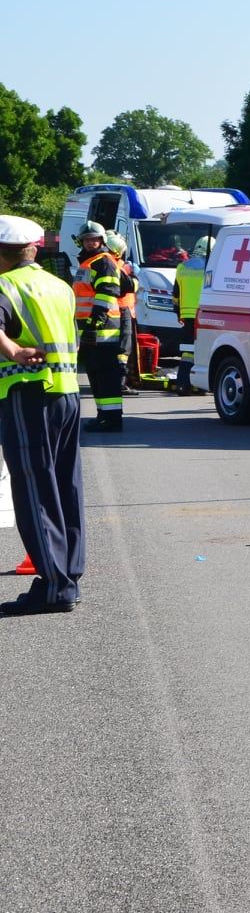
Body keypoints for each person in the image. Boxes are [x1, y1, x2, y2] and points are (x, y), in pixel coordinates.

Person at [0, 215, 85, 616]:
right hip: (67, 394)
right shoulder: (59, 286)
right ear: (32, 249)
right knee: (65, 485)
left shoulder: (6, 286)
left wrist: (14, 350)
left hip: (27, 394)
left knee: (34, 487)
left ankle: (54, 586)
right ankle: (68, 576)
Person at [72, 221, 124, 431]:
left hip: (102, 329)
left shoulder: (103, 262)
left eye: (94, 239)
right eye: (86, 239)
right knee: (95, 375)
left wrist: (95, 322)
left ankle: (112, 420)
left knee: (106, 376)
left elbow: (108, 293)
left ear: (102, 240)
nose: (90, 242)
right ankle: (103, 416)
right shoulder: (87, 263)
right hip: (89, 329)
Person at [173, 235, 211, 394]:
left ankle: (183, 384)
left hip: (187, 315)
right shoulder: (211, 268)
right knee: (204, 350)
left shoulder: (182, 267)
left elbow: (176, 294)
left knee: (188, 351)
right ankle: (200, 385)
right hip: (204, 314)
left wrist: (178, 313)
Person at [105, 230, 141, 393]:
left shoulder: (102, 263)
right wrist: (134, 278)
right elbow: (130, 287)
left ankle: (117, 380)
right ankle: (120, 382)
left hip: (112, 310)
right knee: (123, 349)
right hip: (123, 310)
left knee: (114, 348)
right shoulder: (119, 266)